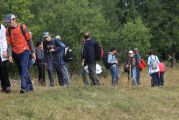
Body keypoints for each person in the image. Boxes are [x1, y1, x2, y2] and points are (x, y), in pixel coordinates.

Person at [5, 14, 36, 93]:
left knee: (23, 68)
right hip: (15, 53)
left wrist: (33, 52)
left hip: (25, 51)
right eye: (7, 22)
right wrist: (10, 55)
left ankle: (23, 88)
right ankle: (30, 87)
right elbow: (9, 45)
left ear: (14, 19)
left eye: (9, 21)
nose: (9, 23)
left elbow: (29, 40)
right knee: (22, 70)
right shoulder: (8, 30)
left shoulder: (23, 27)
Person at [0, 23, 11, 93]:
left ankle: (7, 86)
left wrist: (4, 50)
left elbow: (4, 39)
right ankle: (3, 86)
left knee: (3, 68)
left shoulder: (1, 27)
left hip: (2, 51)